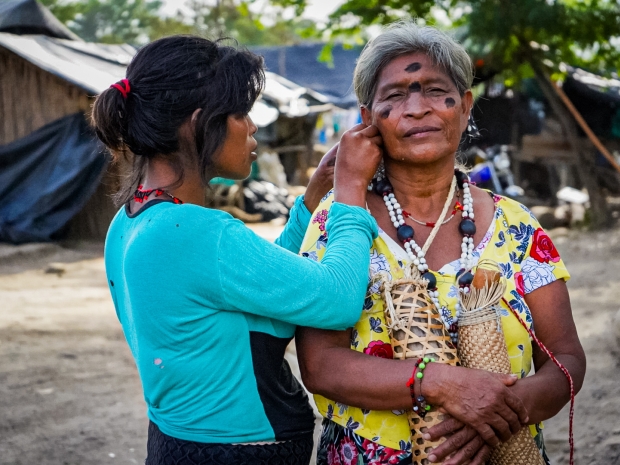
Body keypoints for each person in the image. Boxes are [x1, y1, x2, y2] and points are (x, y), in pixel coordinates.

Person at [296, 22, 586, 465]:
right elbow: (320, 364)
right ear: (368, 119)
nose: (416, 109)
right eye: (394, 96)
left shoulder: (518, 226)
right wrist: (443, 384)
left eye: (434, 90)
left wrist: (506, 411)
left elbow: (565, 355)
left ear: (465, 106)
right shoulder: (339, 222)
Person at [91, 35, 383, 465]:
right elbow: (337, 299)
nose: (253, 126)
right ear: (198, 123)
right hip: (239, 452)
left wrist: (311, 198)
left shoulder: (133, 220)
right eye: (241, 112)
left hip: (178, 444)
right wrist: (350, 193)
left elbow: (264, 287)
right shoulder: (198, 231)